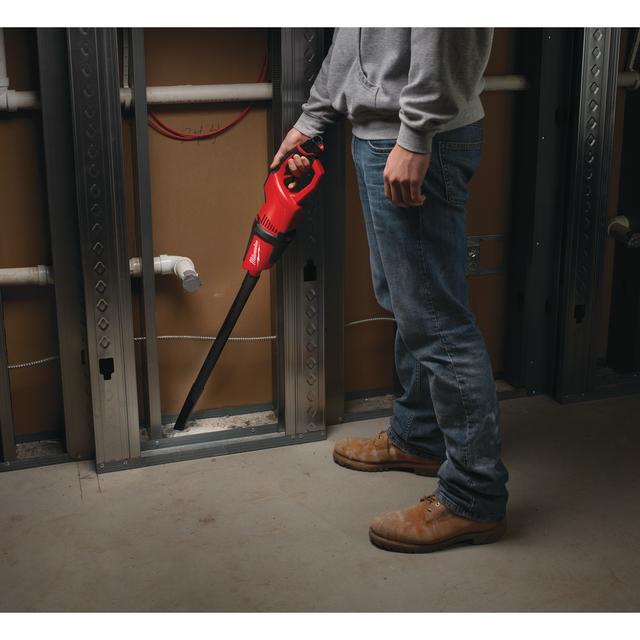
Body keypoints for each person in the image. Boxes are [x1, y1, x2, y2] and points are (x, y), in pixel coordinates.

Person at [271, 28, 509, 553]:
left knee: (438, 323)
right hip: (383, 135)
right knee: (409, 304)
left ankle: (474, 495)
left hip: (417, 137)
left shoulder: (417, 132)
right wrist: (313, 118)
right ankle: (420, 435)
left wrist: (416, 134)